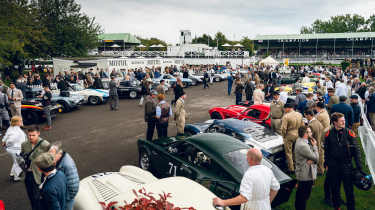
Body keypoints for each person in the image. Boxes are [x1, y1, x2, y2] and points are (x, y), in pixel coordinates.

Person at [212, 148, 280, 210]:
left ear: (250, 159)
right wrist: (267, 202)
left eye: (247, 156)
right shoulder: (267, 170)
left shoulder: (249, 174)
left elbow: (244, 198)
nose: (246, 158)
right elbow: (276, 187)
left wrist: (223, 202)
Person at [324, 112, 363, 210]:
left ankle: (351, 208)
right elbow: (327, 150)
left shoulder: (349, 133)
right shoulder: (328, 134)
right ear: (334, 122)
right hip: (333, 167)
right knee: (335, 190)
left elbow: (357, 150)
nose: (344, 122)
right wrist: (327, 163)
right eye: (341, 121)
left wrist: (359, 167)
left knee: (349, 191)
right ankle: (337, 207)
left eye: (344, 120)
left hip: (347, 166)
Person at [21, 126, 50, 210]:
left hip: (40, 174)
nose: (31, 137)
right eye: (29, 135)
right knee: (31, 196)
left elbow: (51, 159)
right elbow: (22, 155)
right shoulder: (24, 144)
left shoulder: (45, 144)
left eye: (33, 135)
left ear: (38, 133)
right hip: (28, 174)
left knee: (40, 196)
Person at [49, 142, 80, 210]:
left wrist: (65, 198)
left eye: (52, 154)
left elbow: (74, 187)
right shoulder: (59, 159)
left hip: (66, 199)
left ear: (59, 153)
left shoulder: (68, 165)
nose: (50, 156)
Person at [294, 126, 319, 210]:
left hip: (303, 171)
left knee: (302, 196)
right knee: (303, 197)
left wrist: (312, 159)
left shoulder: (301, 140)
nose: (311, 133)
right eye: (309, 132)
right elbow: (316, 158)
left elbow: (313, 158)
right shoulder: (303, 145)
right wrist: (315, 146)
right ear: (305, 134)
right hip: (305, 174)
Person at [1, 116, 27, 181]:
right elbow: (10, 140)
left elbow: (6, 135)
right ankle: (15, 177)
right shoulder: (16, 131)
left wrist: (4, 141)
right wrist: (7, 144)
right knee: (20, 162)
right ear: (16, 122)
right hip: (16, 150)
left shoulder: (11, 128)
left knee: (16, 162)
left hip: (13, 149)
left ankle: (12, 174)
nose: (22, 122)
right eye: (20, 121)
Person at [281, 103, 304, 173]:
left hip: (289, 135)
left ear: (288, 108)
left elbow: (283, 128)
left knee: (288, 152)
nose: (284, 110)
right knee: (296, 152)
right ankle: (298, 165)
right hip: (298, 134)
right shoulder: (299, 114)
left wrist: (283, 136)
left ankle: (291, 168)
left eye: (285, 109)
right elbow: (302, 125)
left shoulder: (286, 116)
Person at [304, 109, 324, 174]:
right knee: (320, 156)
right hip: (320, 141)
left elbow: (309, 136)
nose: (305, 117)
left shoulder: (311, 125)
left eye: (305, 116)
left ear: (309, 115)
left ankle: (317, 171)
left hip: (314, 143)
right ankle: (321, 170)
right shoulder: (318, 122)